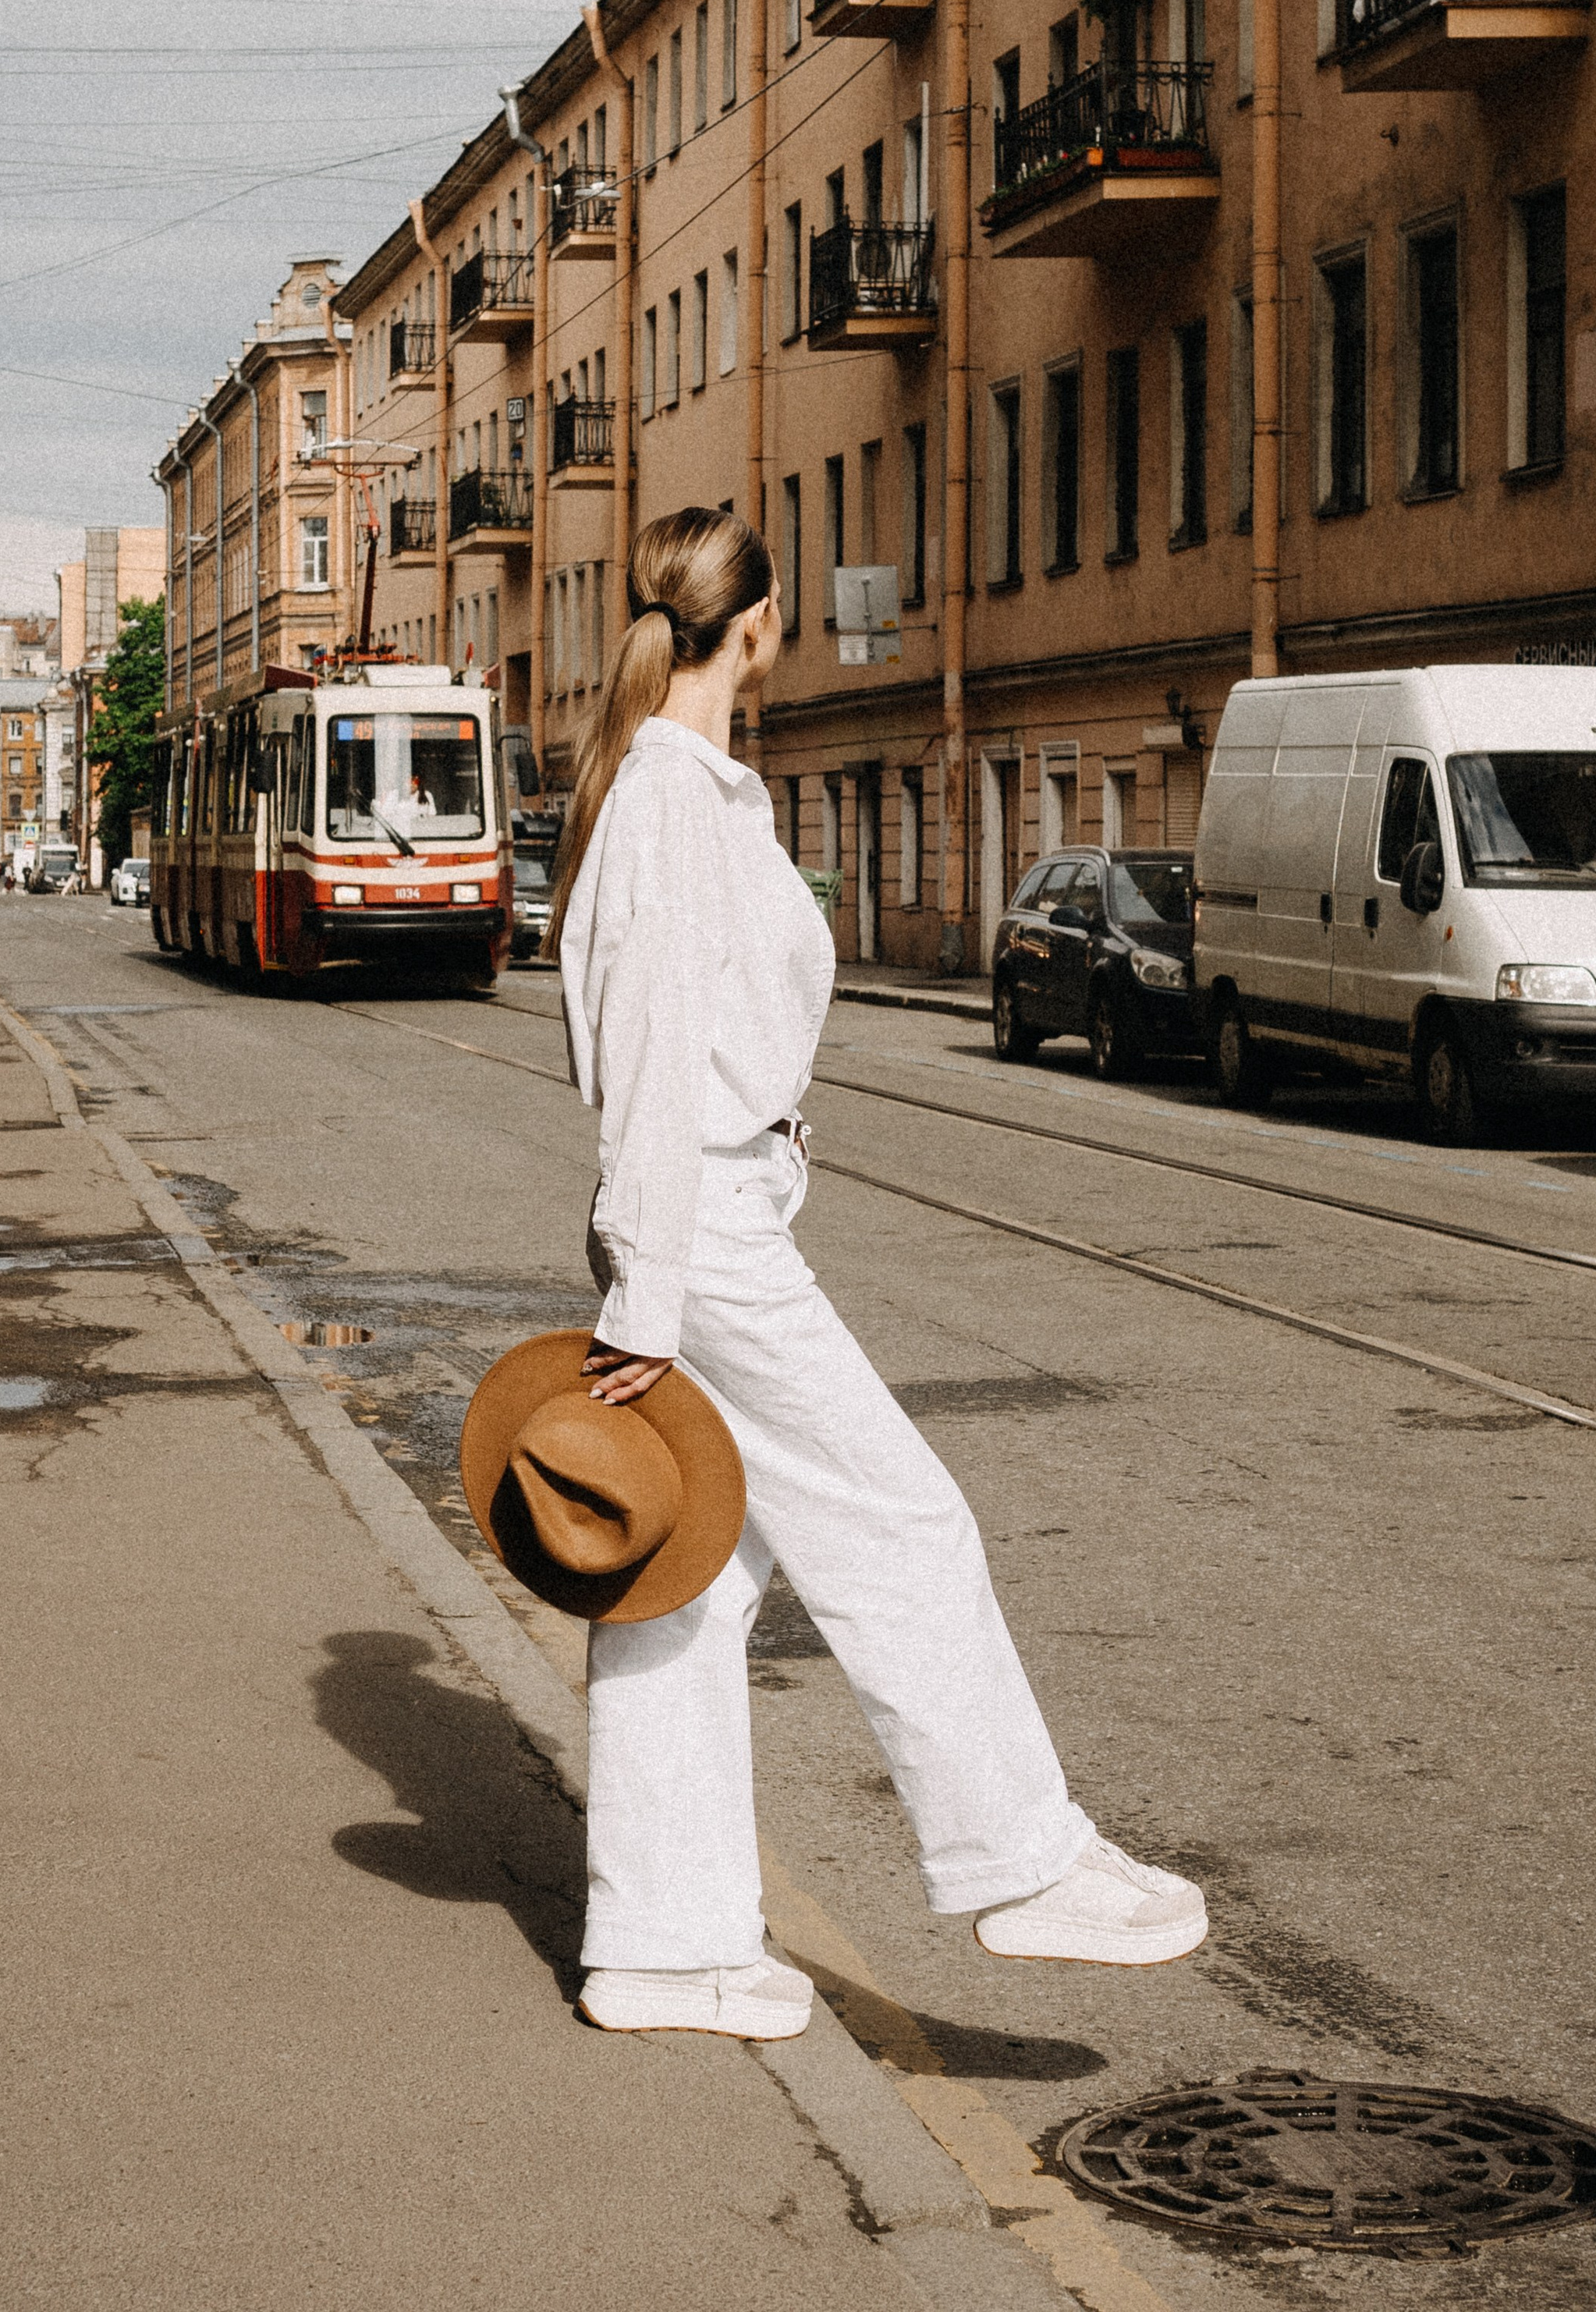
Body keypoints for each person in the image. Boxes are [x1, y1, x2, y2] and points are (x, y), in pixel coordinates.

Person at [551, 506, 1207, 2041]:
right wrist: (646, 1300)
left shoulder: (696, 793)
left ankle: (665, 1947)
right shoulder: (662, 804)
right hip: (697, 1232)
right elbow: (646, 1066)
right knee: (901, 1524)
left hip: (711, 1218)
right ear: (764, 628)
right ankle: (1018, 1860)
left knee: (685, 1592)